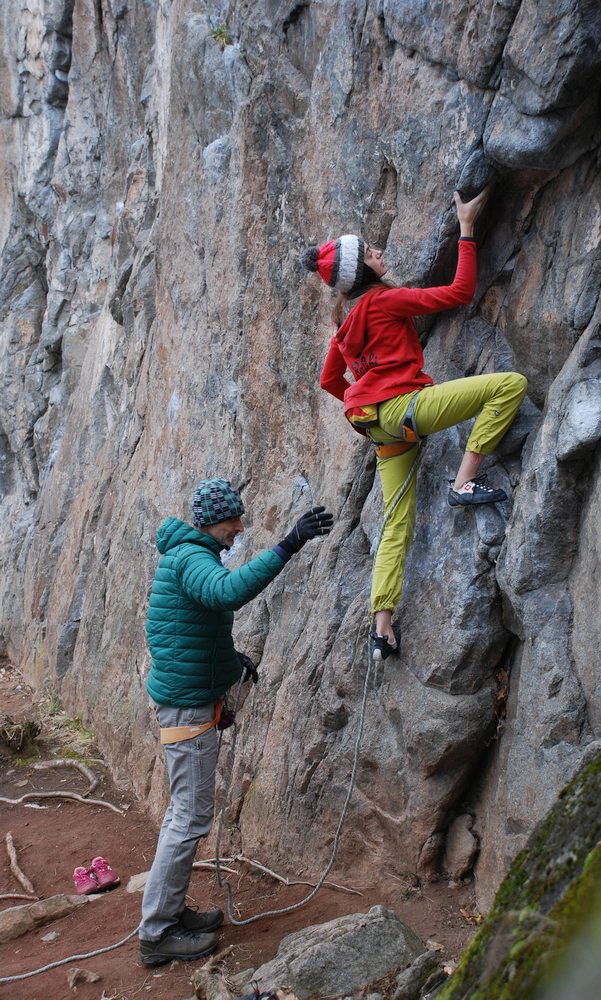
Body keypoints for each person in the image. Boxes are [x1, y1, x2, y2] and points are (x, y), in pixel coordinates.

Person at [303, 188, 527, 661]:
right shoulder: (385, 303)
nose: (378, 251)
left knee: (394, 525)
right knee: (508, 385)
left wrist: (369, 402)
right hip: (405, 409)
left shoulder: (345, 325)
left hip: (380, 428)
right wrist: (466, 228)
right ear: (362, 270)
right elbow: (460, 293)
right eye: (369, 251)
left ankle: (382, 628)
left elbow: (329, 380)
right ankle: (464, 481)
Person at [139, 478, 333, 966]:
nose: (240, 528)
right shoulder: (191, 559)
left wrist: (231, 664)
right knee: (188, 817)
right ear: (211, 521)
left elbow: (191, 631)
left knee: (185, 814)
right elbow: (227, 594)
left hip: (187, 701)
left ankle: (169, 914)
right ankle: (157, 933)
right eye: (234, 520)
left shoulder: (185, 556)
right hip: (187, 709)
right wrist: (290, 543)